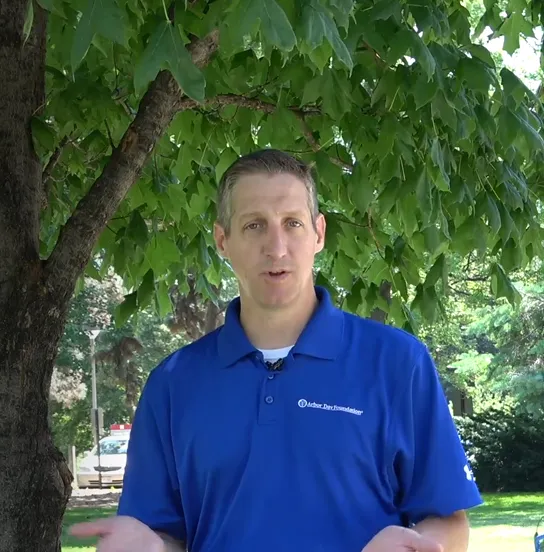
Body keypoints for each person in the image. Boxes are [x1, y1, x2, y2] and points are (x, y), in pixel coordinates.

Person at [71, 149, 483, 551]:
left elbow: (447, 520)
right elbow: (162, 533)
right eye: (254, 226)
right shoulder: (174, 384)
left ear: (319, 232)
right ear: (222, 240)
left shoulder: (397, 363)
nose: (277, 247)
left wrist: (421, 547)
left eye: (292, 223)